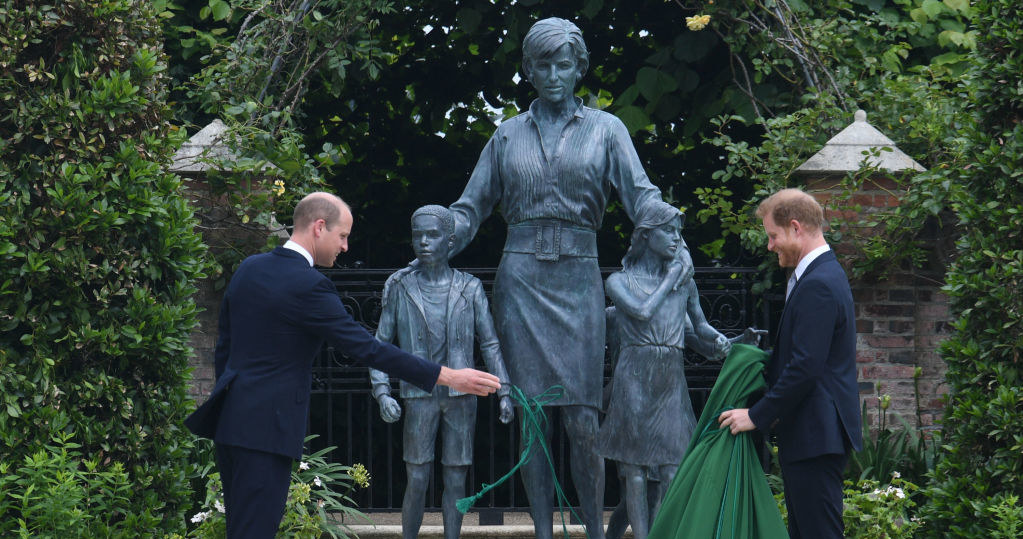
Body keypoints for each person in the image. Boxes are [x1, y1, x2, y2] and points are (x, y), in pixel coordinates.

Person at [442, 17, 665, 539]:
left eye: (563, 64)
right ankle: (544, 532)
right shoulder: (507, 134)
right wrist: (436, 237)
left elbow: (641, 196)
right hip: (520, 282)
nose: (553, 74)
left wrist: (666, 223)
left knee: (584, 420)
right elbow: (469, 208)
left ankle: (591, 530)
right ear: (529, 69)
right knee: (532, 420)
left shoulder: (608, 130)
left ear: (579, 68)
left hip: (579, 279)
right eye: (542, 64)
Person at [184, 192, 502, 539]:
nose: (346, 247)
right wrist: (448, 375)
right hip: (268, 430)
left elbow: (224, 346)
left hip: (231, 425)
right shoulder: (309, 285)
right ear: (319, 227)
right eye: (343, 236)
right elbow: (368, 348)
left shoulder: (249, 269)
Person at [717, 188, 861, 538]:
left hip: (816, 434)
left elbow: (805, 367)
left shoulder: (819, 283)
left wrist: (756, 415)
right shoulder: (819, 276)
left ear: (796, 228)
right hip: (812, 433)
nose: (770, 246)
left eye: (773, 236)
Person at [368, 205, 515, 539]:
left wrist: (504, 390)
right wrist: (382, 392)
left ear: (450, 241)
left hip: (462, 397)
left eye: (432, 235)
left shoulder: (471, 288)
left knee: (456, 479)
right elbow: (380, 346)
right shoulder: (401, 288)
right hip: (418, 397)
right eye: (417, 234)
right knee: (417, 477)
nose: (423, 242)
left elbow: (490, 343)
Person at [597, 202, 729, 539]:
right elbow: (641, 312)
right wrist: (671, 277)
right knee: (635, 471)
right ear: (645, 235)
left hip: (670, 378)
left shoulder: (685, 284)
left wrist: (732, 343)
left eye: (678, 233)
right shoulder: (618, 281)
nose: (675, 239)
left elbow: (702, 329)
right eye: (668, 231)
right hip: (633, 377)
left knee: (673, 467)